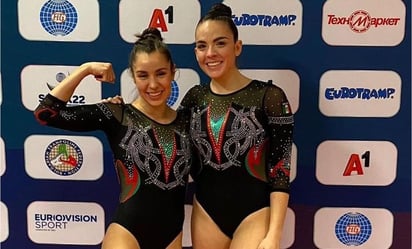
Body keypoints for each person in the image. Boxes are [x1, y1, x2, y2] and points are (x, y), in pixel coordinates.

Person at [34, 27, 192, 249]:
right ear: (133, 76)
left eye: (161, 73)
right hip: (127, 235)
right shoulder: (117, 115)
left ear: (173, 71)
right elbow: (45, 114)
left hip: (172, 236)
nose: (153, 84)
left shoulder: (188, 121)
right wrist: (85, 69)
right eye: (143, 75)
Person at [179, 3, 294, 249]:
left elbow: (280, 169)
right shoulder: (194, 98)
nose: (210, 53)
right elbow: (164, 134)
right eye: (202, 46)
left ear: (237, 47)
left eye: (220, 43)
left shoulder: (269, 96)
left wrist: (274, 235)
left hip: (253, 214)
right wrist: (122, 108)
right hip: (207, 213)